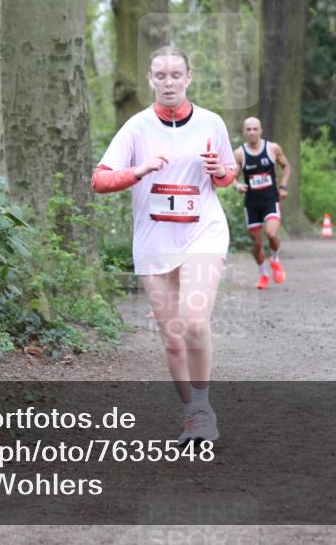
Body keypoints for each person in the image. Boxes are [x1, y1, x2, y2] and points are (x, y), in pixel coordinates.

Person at [91, 46, 237, 443]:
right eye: (161, 76)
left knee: (192, 321)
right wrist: (137, 171)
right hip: (154, 242)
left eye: (176, 75)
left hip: (202, 233)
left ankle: (204, 408)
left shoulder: (211, 123)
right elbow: (99, 179)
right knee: (173, 337)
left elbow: (227, 173)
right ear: (150, 81)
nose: (169, 82)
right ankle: (191, 412)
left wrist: (220, 171)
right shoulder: (137, 128)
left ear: (189, 78)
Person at [233, 117, 291, 289]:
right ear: (244, 132)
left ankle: (275, 259)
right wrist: (237, 185)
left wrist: (283, 186)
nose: (251, 132)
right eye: (248, 129)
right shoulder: (239, 153)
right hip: (251, 203)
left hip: (270, 199)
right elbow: (231, 177)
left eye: (255, 129)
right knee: (257, 243)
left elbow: (286, 167)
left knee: (272, 234)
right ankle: (263, 274)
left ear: (261, 130)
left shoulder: (272, 148)